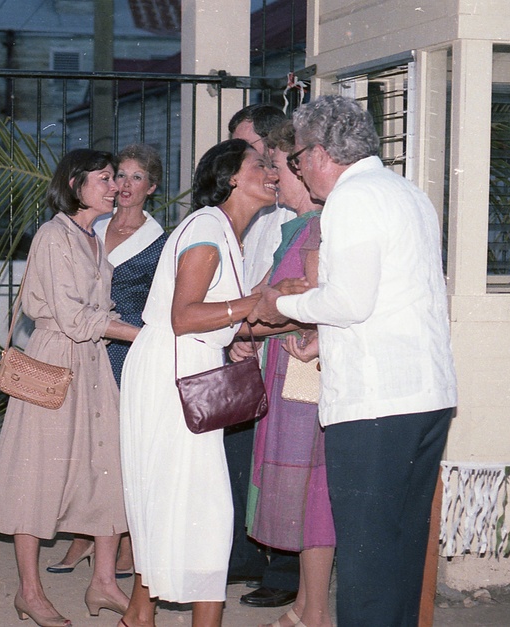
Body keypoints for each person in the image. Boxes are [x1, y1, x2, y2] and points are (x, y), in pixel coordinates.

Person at [254, 95, 458, 627]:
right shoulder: (405, 192)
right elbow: (396, 297)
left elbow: (347, 302)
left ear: (320, 154)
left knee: (366, 561)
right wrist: (325, 338)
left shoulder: (350, 199)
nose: (298, 171)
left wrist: (283, 304)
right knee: (399, 551)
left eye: (295, 160)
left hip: (375, 407)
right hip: (425, 397)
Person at [118, 139, 307, 627]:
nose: (271, 172)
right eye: (259, 165)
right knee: (206, 508)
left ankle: (139, 615)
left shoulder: (225, 232)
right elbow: (185, 316)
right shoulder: (206, 229)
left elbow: (230, 319)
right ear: (230, 179)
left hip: (181, 369)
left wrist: (294, 312)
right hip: (171, 374)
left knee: (174, 499)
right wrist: (261, 299)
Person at [0, 149, 139, 627]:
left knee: (108, 467)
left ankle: (104, 582)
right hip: (56, 361)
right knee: (37, 477)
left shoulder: (93, 237)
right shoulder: (54, 236)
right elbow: (72, 319)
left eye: (116, 179)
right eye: (105, 178)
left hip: (92, 363)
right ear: (75, 184)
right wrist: (142, 333)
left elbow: (97, 310)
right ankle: (30, 592)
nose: (115, 186)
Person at [47, 144, 168, 579]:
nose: (125, 185)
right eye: (120, 176)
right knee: (88, 446)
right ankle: (84, 536)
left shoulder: (163, 240)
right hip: (86, 347)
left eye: (137, 178)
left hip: (130, 350)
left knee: (127, 448)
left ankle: (128, 543)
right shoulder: (87, 227)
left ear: (151, 187)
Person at [235, 120, 334, 627]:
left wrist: (263, 313)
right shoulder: (294, 228)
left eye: (279, 167)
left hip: (304, 375)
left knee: (312, 494)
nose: (274, 177)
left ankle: (313, 610)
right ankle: (304, 605)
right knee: (298, 494)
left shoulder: (319, 227)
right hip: (284, 370)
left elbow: (307, 304)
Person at [226, 104, 301, 609]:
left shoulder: (295, 214)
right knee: (246, 459)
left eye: (252, 149)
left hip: (280, 346)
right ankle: (250, 556)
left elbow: (283, 286)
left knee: (286, 461)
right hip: (247, 342)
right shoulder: (257, 211)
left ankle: (286, 572)